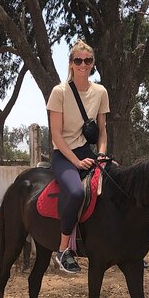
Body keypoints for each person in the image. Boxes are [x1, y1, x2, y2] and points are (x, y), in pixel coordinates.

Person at [46, 39, 109, 274]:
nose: (83, 65)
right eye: (78, 60)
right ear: (71, 63)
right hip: (64, 155)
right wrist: (75, 161)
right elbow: (55, 134)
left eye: (88, 60)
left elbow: (102, 130)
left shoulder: (100, 92)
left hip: (90, 153)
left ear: (93, 63)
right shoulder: (59, 92)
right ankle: (63, 250)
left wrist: (101, 155)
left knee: (119, 183)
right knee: (75, 192)